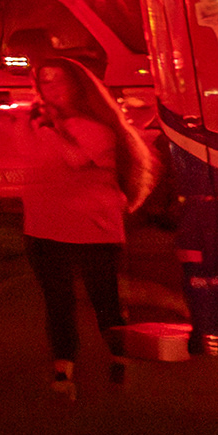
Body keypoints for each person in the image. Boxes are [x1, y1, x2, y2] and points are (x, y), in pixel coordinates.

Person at [20, 56, 151, 398]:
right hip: (44, 225)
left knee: (103, 299)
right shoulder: (37, 122)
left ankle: (120, 359)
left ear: (78, 84)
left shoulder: (98, 127)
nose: (50, 89)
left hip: (93, 228)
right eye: (43, 82)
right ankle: (63, 372)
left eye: (58, 80)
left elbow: (74, 159)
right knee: (57, 303)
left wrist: (47, 128)